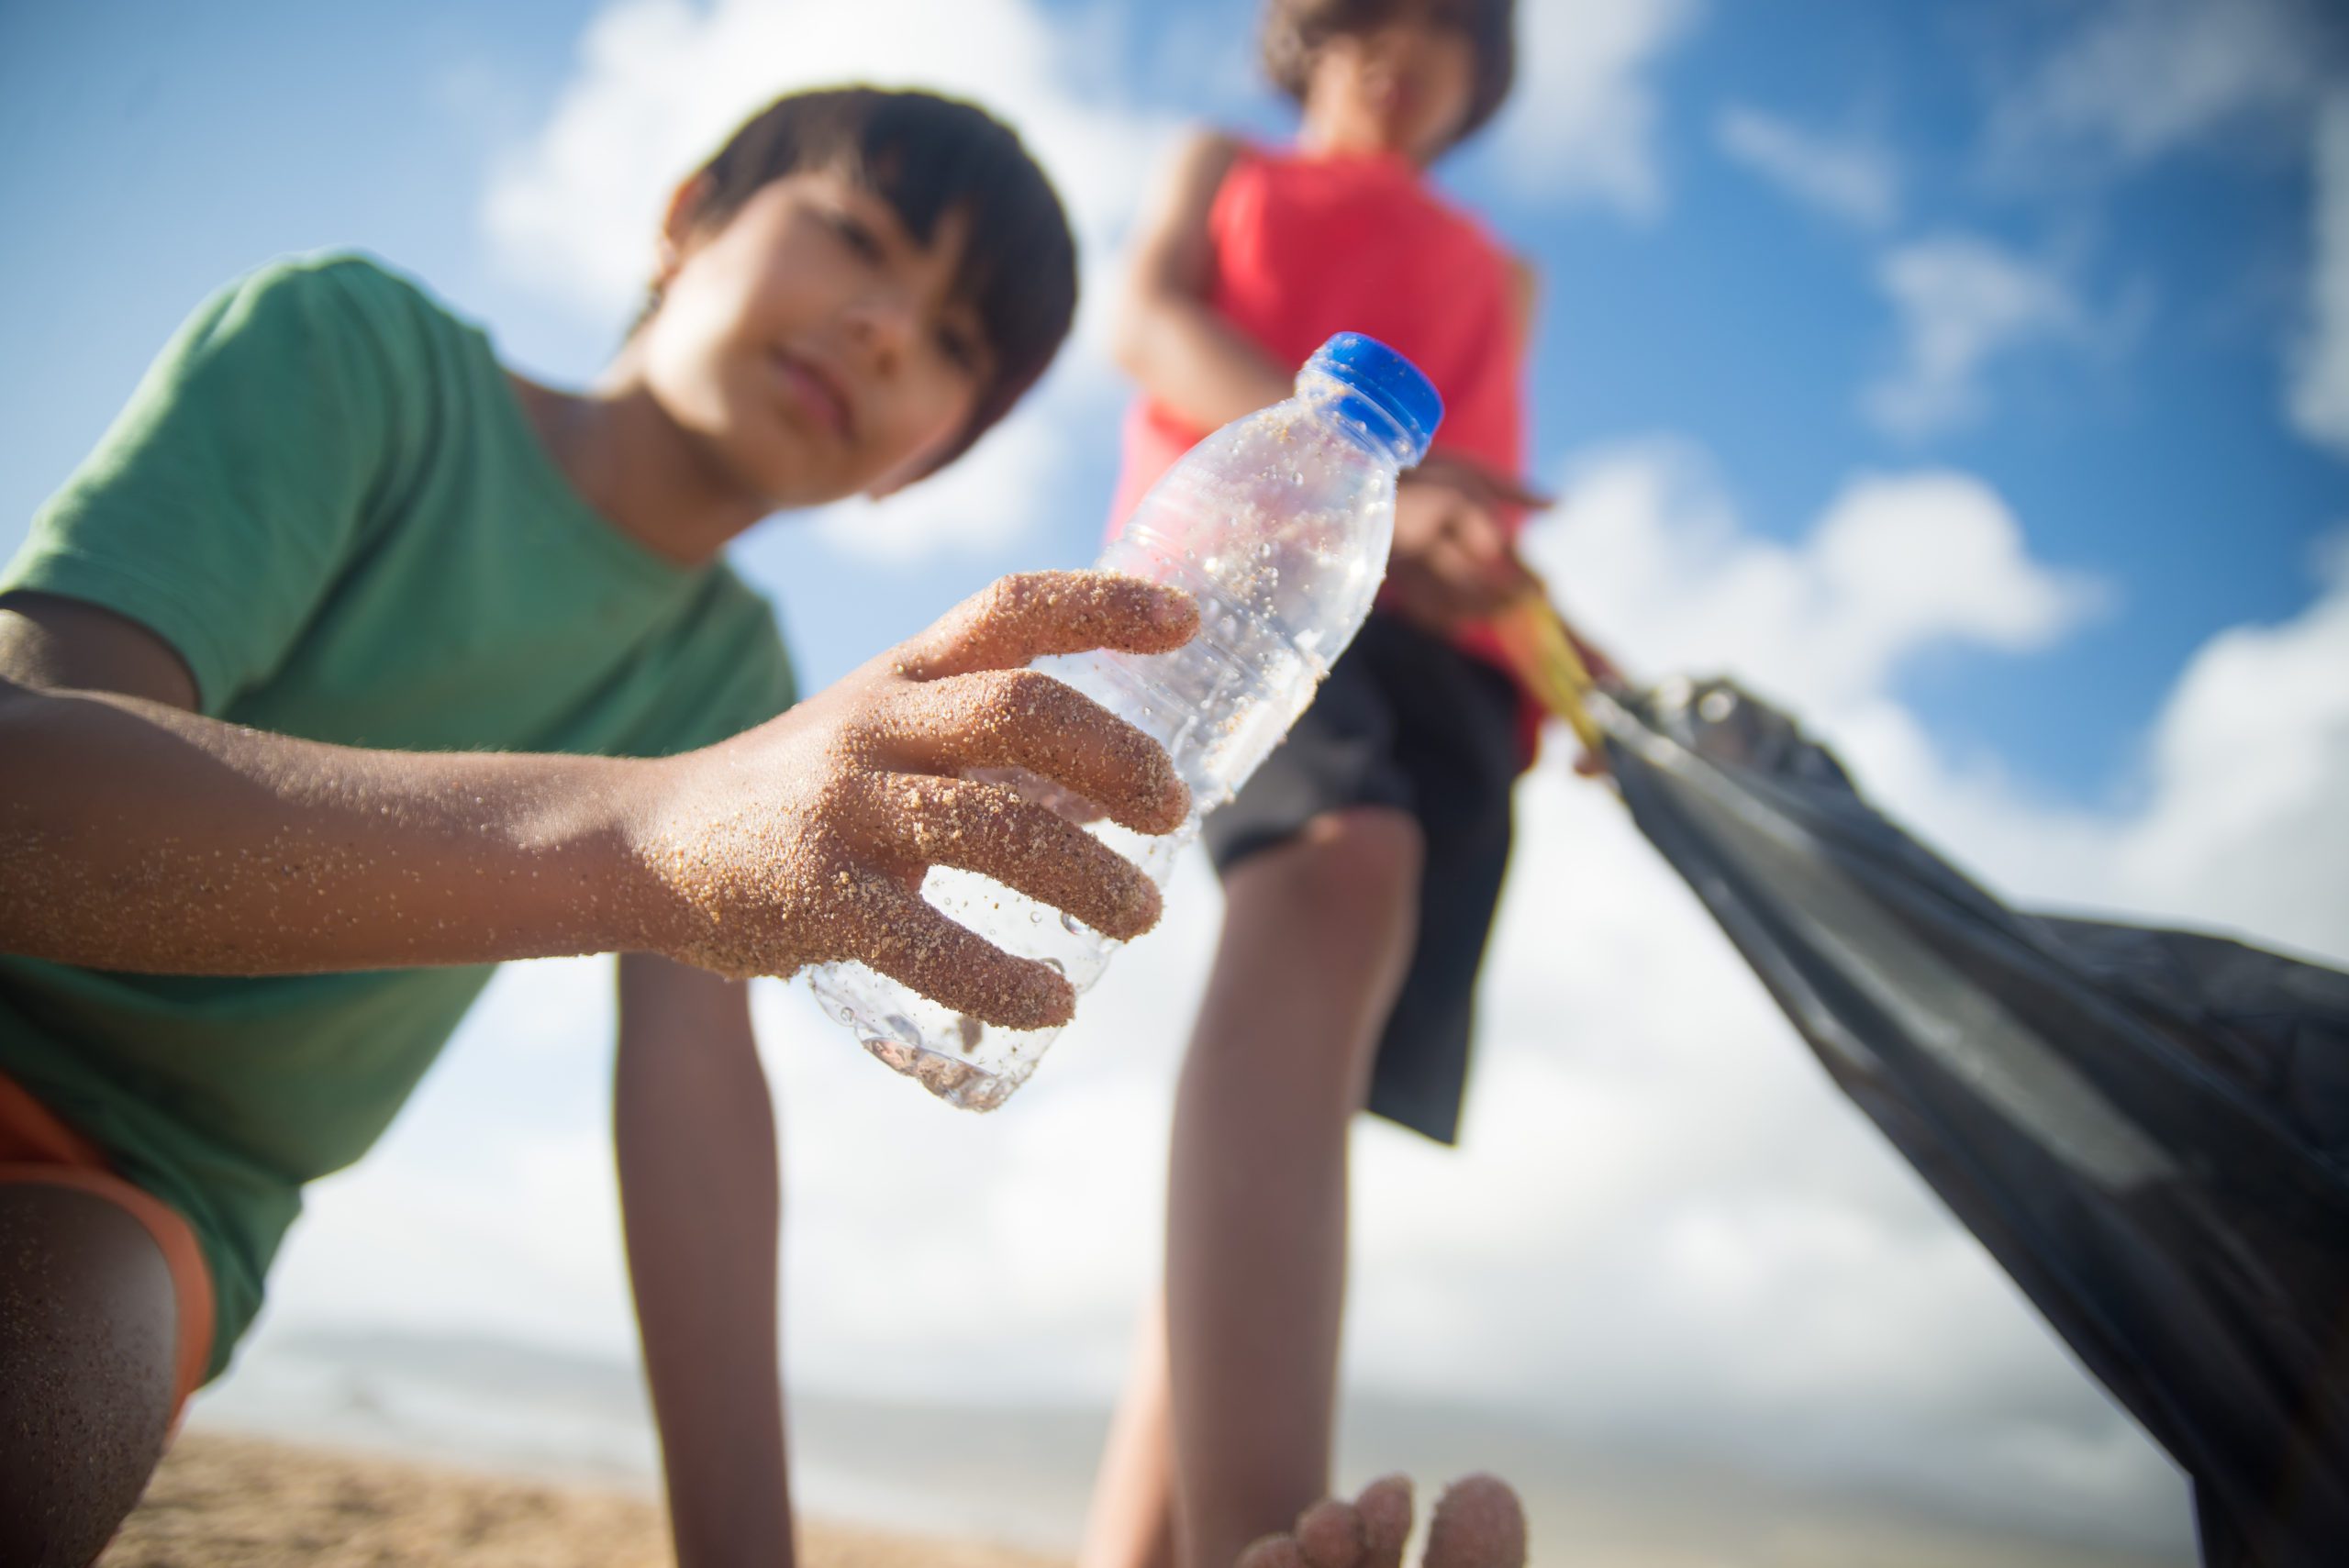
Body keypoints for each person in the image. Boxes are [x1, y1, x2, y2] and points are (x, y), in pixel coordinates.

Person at [0, 87, 1203, 1568]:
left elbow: (692, 1103)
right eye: (855, 237)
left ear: (928, 458)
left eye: (954, 341)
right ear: (688, 215)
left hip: (147, 1196)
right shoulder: (355, 356)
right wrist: (650, 835)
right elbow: (23, 795)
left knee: (64, 1357)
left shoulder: (733, 686)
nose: (887, 326)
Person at [1079, 4, 1545, 1565]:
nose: (1402, 52)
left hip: (1454, 663)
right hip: (1264, 587)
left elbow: (1490, 474)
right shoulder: (1225, 167)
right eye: (1370, 15)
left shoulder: (1507, 267)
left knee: (1303, 1095)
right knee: (1344, 869)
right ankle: (1260, 1543)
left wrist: (1523, 612)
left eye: (1447, 30)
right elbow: (1148, 322)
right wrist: (1375, 491)